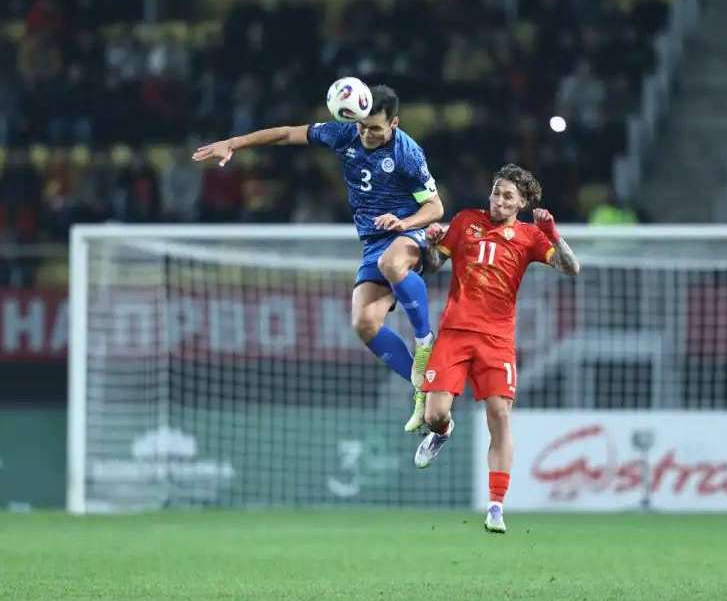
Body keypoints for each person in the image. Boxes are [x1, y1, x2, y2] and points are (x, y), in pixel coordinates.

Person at [193, 85, 443, 430]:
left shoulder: (407, 152)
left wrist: (405, 223)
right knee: (364, 324)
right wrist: (234, 143)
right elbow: (286, 134)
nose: (366, 134)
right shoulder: (344, 134)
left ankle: (425, 341)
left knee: (391, 262)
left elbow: (435, 207)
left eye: (375, 128)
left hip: (409, 232)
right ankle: (424, 389)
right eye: (362, 126)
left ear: (394, 123)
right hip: (373, 242)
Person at [412, 164, 580, 533]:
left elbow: (571, 268)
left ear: (521, 203)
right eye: (496, 192)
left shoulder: (530, 237)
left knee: (499, 415)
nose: (499, 200)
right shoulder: (465, 221)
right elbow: (434, 265)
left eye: (507, 196)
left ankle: (495, 507)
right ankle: (442, 432)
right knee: (435, 415)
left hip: (497, 339)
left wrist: (553, 233)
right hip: (455, 332)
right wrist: (430, 243)